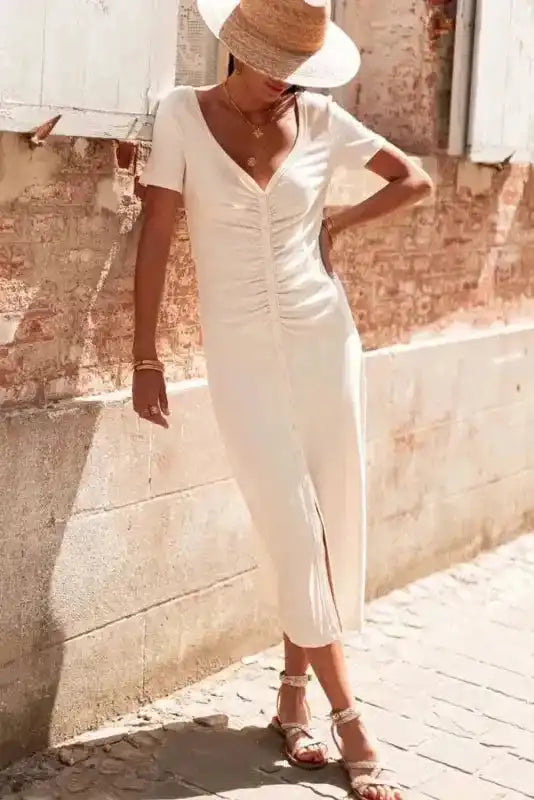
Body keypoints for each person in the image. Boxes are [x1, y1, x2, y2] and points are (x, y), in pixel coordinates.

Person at [132, 1, 432, 797]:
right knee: (289, 522)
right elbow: (157, 231)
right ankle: (350, 718)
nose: (286, 87)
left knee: (328, 517)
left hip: (324, 339)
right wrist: (144, 354)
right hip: (240, 355)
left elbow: (417, 180)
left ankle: (293, 697)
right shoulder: (180, 116)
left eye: (299, 74)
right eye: (277, 71)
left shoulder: (323, 119)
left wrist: (338, 226)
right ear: (237, 49)